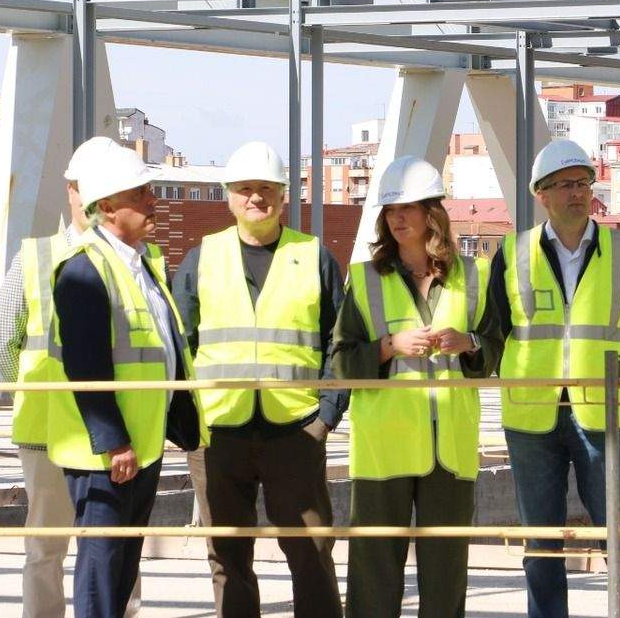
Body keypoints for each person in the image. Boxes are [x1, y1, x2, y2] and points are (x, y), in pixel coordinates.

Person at [173, 141, 347, 618]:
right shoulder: (201, 259)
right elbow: (178, 345)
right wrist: (187, 422)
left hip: (295, 427)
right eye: (245, 189)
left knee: (311, 551)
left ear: (283, 195)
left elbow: (341, 342)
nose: (256, 198)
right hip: (218, 432)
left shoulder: (314, 257)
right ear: (229, 196)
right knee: (227, 556)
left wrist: (326, 418)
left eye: (266, 189)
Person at [490, 139, 620, 618]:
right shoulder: (512, 252)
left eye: (583, 183)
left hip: (601, 414)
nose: (577, 193)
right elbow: (494, 331)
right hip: (531, 417)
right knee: (541, 545)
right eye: (565, 185)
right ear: (541, 195)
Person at [331, 156, 503, 618]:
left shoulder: (475, 275)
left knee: (446, 573)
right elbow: (340, 362)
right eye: (391, 211)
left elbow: (495, 351)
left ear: (433, 212)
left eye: (407, 207)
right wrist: (388, 346)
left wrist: (467, 343)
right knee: (373, 571)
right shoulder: (365, 278)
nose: (398, 218)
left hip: (450, 446)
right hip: (382, 446)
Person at [0, 136, 143, 618]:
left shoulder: (137, 258)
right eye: (82, 188)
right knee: (49, 546)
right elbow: (1, 342)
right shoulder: (35, 257)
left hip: (117, 429)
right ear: (71, 190)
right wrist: (37, 394)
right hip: (50, 433)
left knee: (116, 543)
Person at [47, 144, 206, 618]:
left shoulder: (141, 263)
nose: (153, 199)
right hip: (107, 453)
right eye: (141, 193)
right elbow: (86, 364)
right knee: (102, 564)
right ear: (109, 205)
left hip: (144, 442)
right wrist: (114, 443)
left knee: (123, 563)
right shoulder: (84, 268)